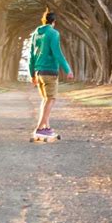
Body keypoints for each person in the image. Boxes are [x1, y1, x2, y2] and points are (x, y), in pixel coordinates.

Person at [29, 7, 74, 138]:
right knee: (51, 99)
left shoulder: (36, 33)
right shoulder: (53, 33)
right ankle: (39, 128)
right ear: (53, 21)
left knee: (45, 99)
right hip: (49, 72)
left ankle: (46, 128)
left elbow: (31, 55)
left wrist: (32, 74)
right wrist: (68, 69)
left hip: (38, 72)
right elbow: (57, 53)